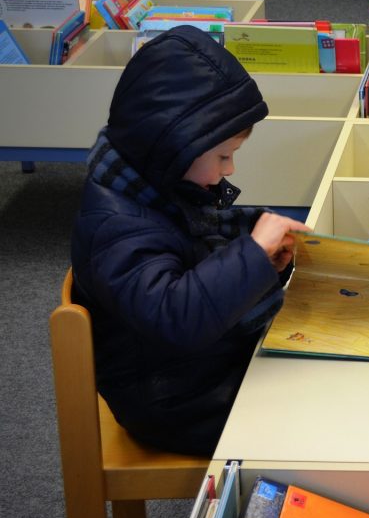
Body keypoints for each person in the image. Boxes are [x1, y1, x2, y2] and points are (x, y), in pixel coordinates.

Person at [71, 25, 310, 456]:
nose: (231, 169)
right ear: (170, 148)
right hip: (174, 400)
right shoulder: (114, 228)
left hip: (193, 369)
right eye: (222, 156)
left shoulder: (151, 188)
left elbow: (198, 255)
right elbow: (176, 316)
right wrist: (253, 254)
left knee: (319, 369)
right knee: (318, 411)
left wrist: (266, 262)